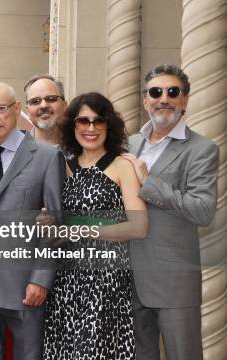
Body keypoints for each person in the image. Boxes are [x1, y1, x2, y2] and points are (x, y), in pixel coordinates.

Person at [122, 64, 219, 360]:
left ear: (185, 99)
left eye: (172, 92)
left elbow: (203, 211)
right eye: (156, 92)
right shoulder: (129, 143)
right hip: (128, 278)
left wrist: (149, 182)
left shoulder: (202, 149)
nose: (164, 98)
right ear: (145, 100)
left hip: (174, 282)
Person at [43, 92, 148, 359]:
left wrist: (81, 230)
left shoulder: (122, 165)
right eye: (83, 121)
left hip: (107, 281)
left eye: (98, 121)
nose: (91, 128)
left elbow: (138, 227)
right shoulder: (61, 166)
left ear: (108, 125)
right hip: (65, 280)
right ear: (72, 126)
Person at [0, 82, 65, 359]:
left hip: (25, 287)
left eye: (1, 109)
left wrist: (41, 278)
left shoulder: (46, 157)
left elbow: (55, 225)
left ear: (18, 109)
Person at [23, 74, 68, 145]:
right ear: (27, 111)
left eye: (51, 99)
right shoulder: (16, 152)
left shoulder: (83, 149)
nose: (43, 106)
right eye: (35, 101)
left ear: (64, 106)